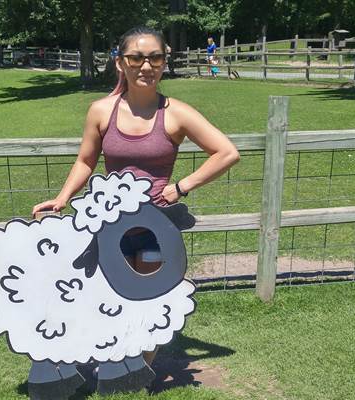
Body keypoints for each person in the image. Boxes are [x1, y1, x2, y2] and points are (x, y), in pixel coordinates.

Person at [32, 25, 239, 368]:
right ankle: (114, 364)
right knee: (102, 295)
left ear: (164, 62)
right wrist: (63, 197)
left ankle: (137, 374)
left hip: (153, 229)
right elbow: (86, 161)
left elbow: (227, 153)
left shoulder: (176, 113)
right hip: (108, 224)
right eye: (136, 58)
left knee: (150, 300)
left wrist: (181, 187)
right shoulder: (101, 111)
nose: (146, 66)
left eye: (155, 58)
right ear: (120, 62)